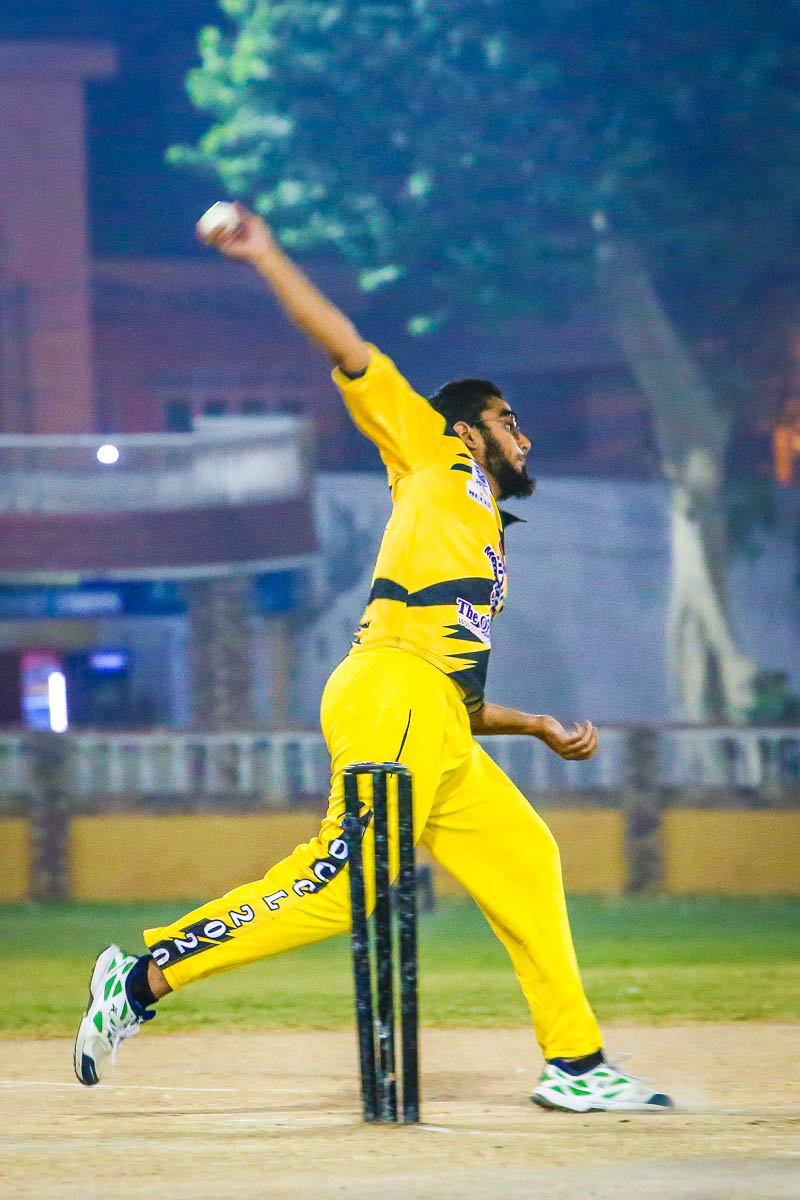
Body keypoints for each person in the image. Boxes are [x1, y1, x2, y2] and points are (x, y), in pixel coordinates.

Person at [73, 204, 672, 1113]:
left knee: (524, 855)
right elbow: (346, 345)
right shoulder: (432, 455)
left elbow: (456, 698)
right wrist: (266, 254)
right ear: (468, 432)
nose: (525, 437)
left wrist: (537, 726)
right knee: (348, 881)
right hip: (390, 691)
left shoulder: (481, 531)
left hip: (434, 719)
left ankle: (577, 1065)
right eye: (510, 421)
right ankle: (142, 977)